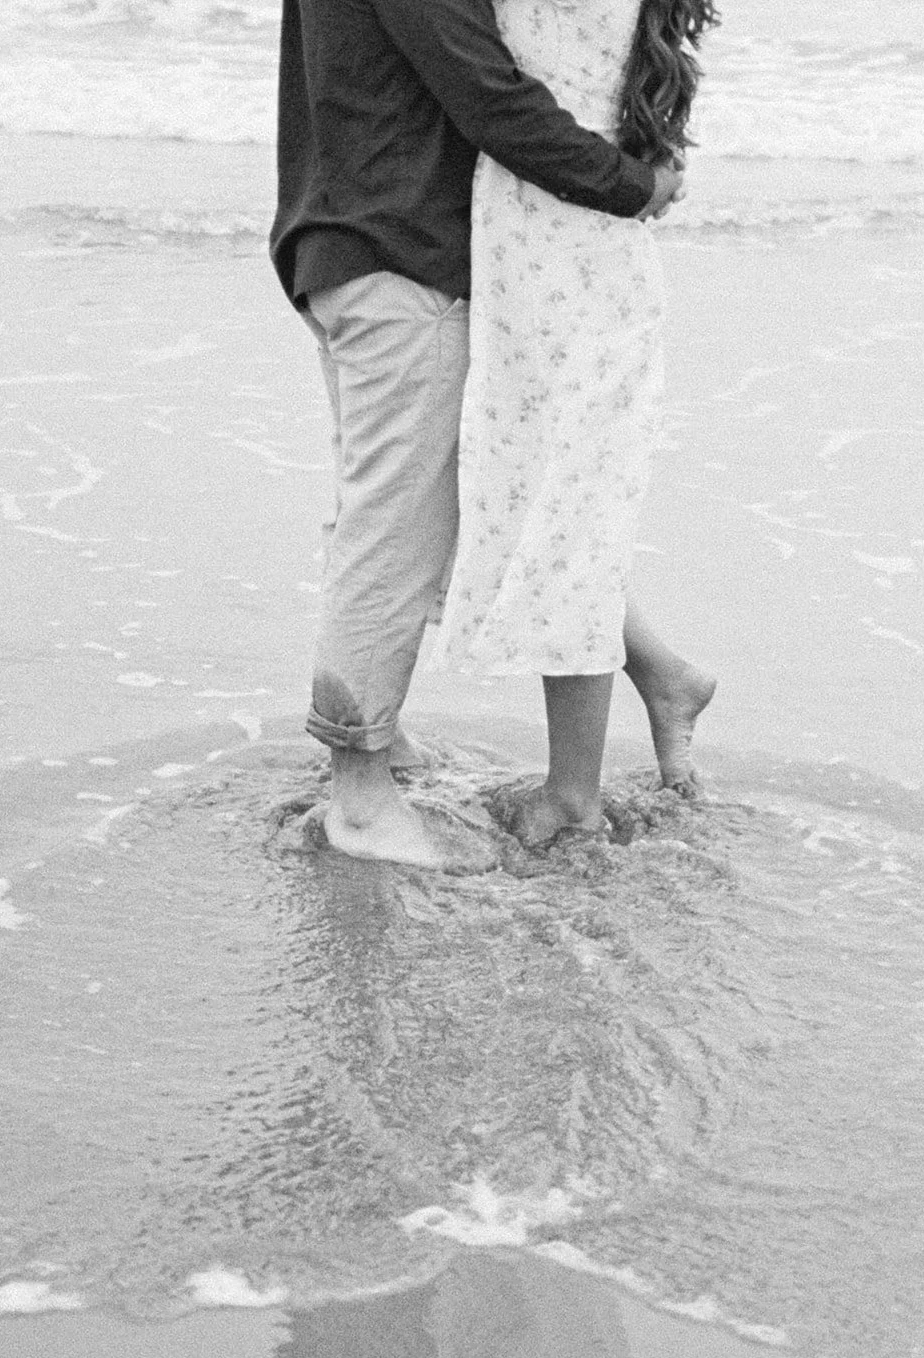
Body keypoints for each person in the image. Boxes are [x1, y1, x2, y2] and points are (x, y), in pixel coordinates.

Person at [271, 0, 683, 868]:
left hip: (351, 241)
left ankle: (652, 671)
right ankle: (360, 797)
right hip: (399, 251)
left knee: (435, 504)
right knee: (395, 527)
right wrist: (635, 187)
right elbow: (492, 98)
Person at [431, 0, 720, 846]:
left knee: (564, 521)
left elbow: (504, 102)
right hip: (552, 248)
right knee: (540, 508)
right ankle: (665, 678)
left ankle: (571, 794)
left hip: (565, 254)